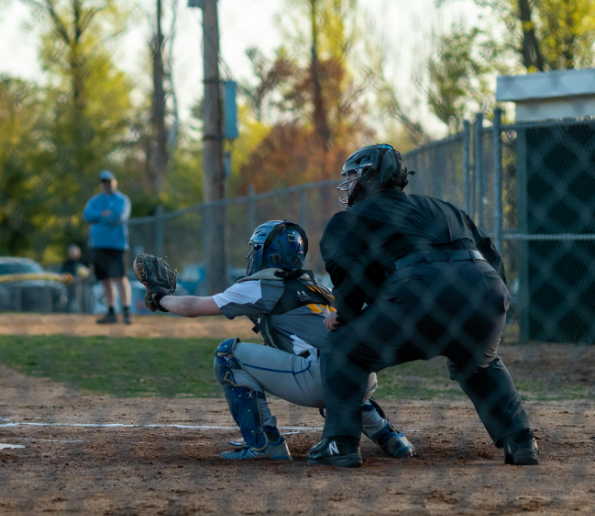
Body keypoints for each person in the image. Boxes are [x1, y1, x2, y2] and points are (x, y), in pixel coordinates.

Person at [310, 143, 539, 468]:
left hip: (419, 290)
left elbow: (350, 273)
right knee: (480, 362)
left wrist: (345, 315)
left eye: (350, 176)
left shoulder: (350, 218)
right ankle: (521, 441)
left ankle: (340, 444)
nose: (346, 184)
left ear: (368, 176)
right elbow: (490, 255)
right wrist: (492, 309)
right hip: (485, 290)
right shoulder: (443, 207)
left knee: (341, 349)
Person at [133, 221, 415, 461]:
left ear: (267, 253)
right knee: (339, 368)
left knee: (228, 355)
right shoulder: (317, 285)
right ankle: (389, 436)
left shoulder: (260, 284)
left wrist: (161, 298)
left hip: (318, 378)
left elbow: (194, 307)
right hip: (361, 377)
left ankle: (265, 445)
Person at [83, 170, 132, 324]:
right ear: (100, 184)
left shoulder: (122, 199)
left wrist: (99, 217)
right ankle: (111, 312)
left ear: (114, 182)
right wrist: (102, 214)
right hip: (98, 245)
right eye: (104, 182)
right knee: (105, 280)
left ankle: (126, 311)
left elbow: (118, 216)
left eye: (109, 182)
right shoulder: (95, 200)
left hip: (116, 245)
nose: (107, 185)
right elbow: (86, 215)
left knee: (120, 278)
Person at [60, 244, 90, 312]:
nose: (72, 253)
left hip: (83, 284)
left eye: (74, 251)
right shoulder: (67, 263)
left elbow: (89, 272)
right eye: (70, 251)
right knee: (70, 297)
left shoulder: (83, 261)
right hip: (70, 285)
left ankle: (84, 311)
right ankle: (69, 311)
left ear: (78, 252)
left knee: (83, 296)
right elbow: (63, 273)